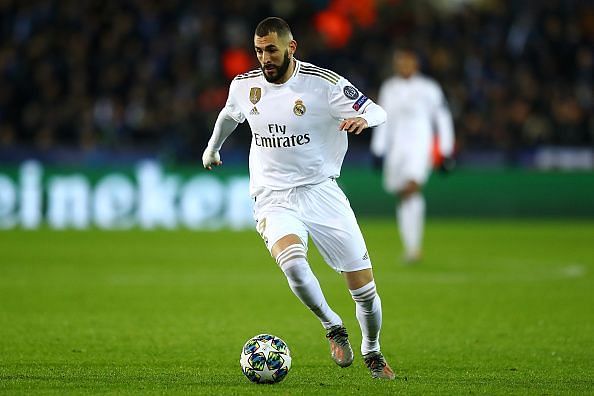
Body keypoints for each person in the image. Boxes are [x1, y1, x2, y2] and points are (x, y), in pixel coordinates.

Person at [202, 17, 395, 380]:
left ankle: (372, 349)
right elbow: (230, 115)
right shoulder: (245, 86)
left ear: (291, 47)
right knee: (291, 261)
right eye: (258, 51)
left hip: (321, 191)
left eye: (271, 50)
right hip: (272, 195)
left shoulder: (324, 84)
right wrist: (213, 148)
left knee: (365, 292)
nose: (265, 58)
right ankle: (332, 325)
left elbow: (376, 109)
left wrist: (364, 122)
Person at [371, 48, 455, 264]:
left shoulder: (429, 88)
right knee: (402, 194)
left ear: (415, 64)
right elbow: (383, 119)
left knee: (411, 187)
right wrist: (378, 150)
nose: (404, 66)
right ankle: (411, 247)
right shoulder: (390, 88)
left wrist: (446, 151)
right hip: (396, 149)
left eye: (408, 62)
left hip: (420, 146)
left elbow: (442, 119)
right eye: (400, 62)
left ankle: (414, 248)